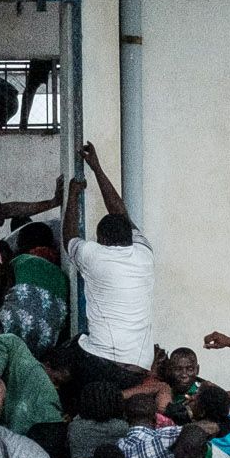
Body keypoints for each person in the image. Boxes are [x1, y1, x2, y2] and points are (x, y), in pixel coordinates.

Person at [64, 142, 156, 380]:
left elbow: (69, 238)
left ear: (102, 239)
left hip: (102, 362)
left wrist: (72, 194)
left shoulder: (95, 255)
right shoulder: (144, 253)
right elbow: (121, 214)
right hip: (140, 366)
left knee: (59, 363)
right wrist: (97, 168)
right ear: (130, 237)